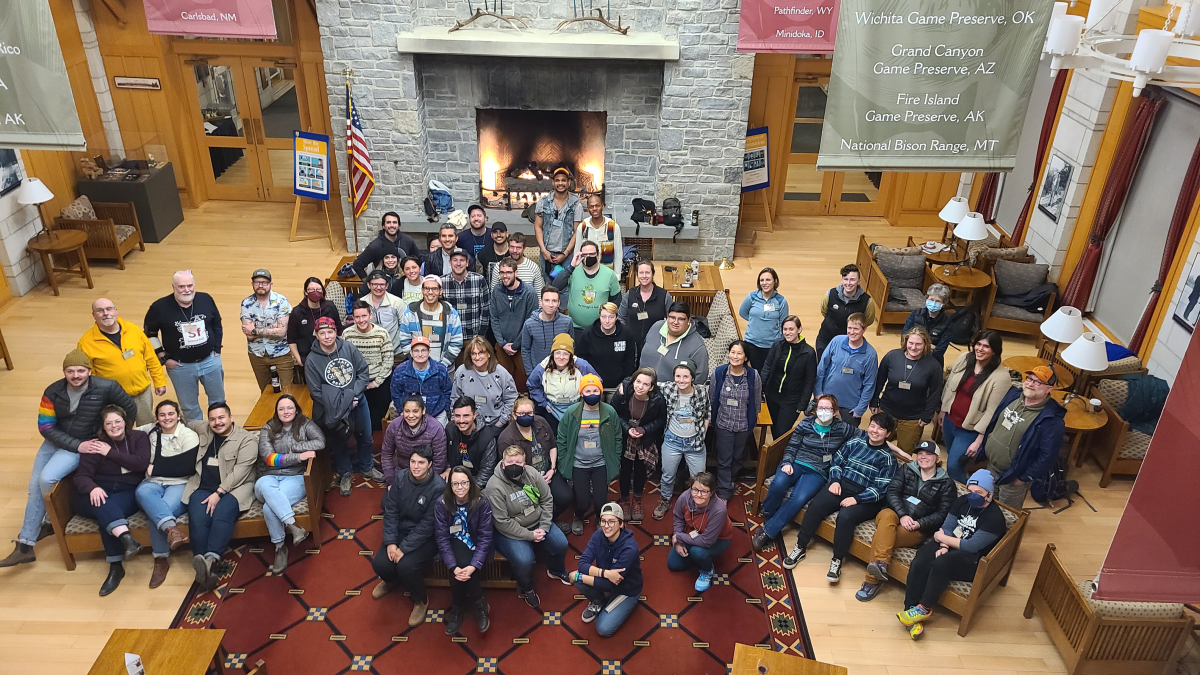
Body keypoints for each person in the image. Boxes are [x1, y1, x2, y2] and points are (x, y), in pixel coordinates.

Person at [0, 350, 136, 568]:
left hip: (83, 443)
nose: (76, 375)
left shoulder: (107, 386)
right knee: (33, 487)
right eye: (70, 371)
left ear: (89, 371)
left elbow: (130, 409)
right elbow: (45, 426)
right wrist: (74, 443)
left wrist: (111, 438)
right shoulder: (52, 391)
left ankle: (47, 523)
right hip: (57, 441)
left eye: (81, 370)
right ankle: (25, 544)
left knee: (45, 479)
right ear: (64, 372)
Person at [779, 410, 898, 578]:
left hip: (866, 498)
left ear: (888, 434)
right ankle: (800, 546)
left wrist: (856, 499)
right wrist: (834, 480)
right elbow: (837, 461)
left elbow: (881, 489)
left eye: (880, 429)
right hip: (841, 485)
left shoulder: (888, 458)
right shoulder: (855, 441)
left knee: (846, 517)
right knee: (816, 505)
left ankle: (837, 560)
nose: (874, 431)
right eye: (872, 426)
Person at [897, 469, 1007, 639]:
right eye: (970, 491)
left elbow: (971, 546)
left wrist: (943, 540)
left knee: (941, 564)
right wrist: (944, 545)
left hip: (972, 558)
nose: (972, 495)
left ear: (990, 494)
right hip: (950, 541)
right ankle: (911, 611)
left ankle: (924, 608)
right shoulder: (962, 501)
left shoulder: (994, 519)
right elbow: (948, 526)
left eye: (979, 493)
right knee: (921, 559)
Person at [752, 395, 864, 553]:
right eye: (820, 408)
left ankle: (767, 532)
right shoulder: (806, 423)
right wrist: (787, 463)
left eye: (828, 409)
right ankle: (768, 514)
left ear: (835, 411)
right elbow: (792, 446)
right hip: (796, 463)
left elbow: (869, 435)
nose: (823, 411)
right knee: (778, 483)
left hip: (817, 472)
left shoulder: (842, 428)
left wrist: (900, 451)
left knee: (798, 498)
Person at [856, 440, 955, 602]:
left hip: (916, 528)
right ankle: (879, 568)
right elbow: (893, 491)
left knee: (882, 537)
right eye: (920, 454)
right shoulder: (907, 469)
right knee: (887, 517)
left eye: (928, 454)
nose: (923, 457)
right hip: (894, 514)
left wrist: (919, 523)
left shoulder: (947, 483)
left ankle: (872, 579)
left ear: (938, 459)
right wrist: (902, 514)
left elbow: (942, 514)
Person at [71, 405, 151, 595]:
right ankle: (126, 538)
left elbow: (141, 463)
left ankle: (116, 567)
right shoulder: (94, 445)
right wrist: (92, 487)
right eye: (109, 423)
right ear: (103, 427)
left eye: (118, 421)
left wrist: (110, 453)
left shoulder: (139, 438)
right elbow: (81, 476)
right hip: (94, 493)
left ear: (125, 422)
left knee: (105, 513)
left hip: (127, 492)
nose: (114, 426)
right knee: (102, 503)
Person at [184, 402, 259, 591]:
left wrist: (219, 493)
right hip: (202, 486)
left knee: (222, 514)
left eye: (221, 417)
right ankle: (204, 567)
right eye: (213, 419)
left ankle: (210, 559)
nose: (217, 422)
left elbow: (240, 472)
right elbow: (185, 423)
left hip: (236, 487)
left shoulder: (247, 440)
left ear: (231, 418)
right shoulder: (203, 429)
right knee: (198, 517)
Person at [485, 447, 571, 608]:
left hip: (538, 522)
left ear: (524, 464)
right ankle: (528, 588)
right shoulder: (494, 487)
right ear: (503, 464)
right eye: (510, 462)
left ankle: (556, 570)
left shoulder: (532, 473)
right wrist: (530, 536)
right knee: (525, 560)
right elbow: (502, 522)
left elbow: (546, 499)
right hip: (510, 531)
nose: (514, 465)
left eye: (518, 462)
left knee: (561, 543)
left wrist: (544, 527)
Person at [371, 446, 446, 628]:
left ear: (429, 464)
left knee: (406, 566)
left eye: (421, 463)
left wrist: (403, 548)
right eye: (413, 462)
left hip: (426, 538)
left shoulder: (438, 487)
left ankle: (421, 600)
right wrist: (390, 542)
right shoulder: (401, 478)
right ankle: (390, 580)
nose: (416, 466)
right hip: (400, 531)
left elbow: (428, 526)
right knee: (380, 564)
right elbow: (391, 511)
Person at [977, 366, 1066, 508]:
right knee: (986, 506)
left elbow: (1048, 456)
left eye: (1037, 382)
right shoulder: (1013, 395)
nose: (1030, 384)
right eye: (1029, 379)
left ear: (1049, 389)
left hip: (1012, 479)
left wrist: (1023, 478)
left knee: (1006, 515)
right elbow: (994, 421)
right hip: (991, 467)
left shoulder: (1052, 421)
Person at [255, 394, 324, 574]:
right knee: (264, 486)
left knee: (270, 507)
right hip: (269, 477)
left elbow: (320, 442)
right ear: (276, 412)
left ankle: (280, 548)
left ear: (296, 409)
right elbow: (269, 459)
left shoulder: (305, 424)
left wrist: (295, 448)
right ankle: (293, 525)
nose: (286, 412)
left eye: (290, 408)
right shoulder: (268, 428)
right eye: (281, 409)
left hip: (295, 477)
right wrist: (299, 456)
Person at [305, 317, 374, 497]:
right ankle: (345, 473)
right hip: (332, 409)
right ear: (316, 335)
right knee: (339, 443)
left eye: (330, 332)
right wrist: (344, 403)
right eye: (322, 333)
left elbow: (363, 372)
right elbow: (315, 391)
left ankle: (367, 467)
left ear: (336, 332)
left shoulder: (349, 348)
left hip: (358, 402)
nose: (327, 336)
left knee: (365, 436)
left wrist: (354, 396)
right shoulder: (312, 360)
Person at [135, 400, 200, 588]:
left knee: (157, 513)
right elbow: (127, 432)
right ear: (157, 418)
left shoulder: (189, 436)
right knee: (142, 492)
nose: (167, 418)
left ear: (178, 415)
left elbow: (185, 467)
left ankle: (160, 559)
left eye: (171, 414)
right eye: (162, 415)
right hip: (153, 483)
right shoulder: (151, 430)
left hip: (180, 483)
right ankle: (173, 531)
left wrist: (155, 468)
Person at [144, 271, 224, 423]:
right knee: (189, 407)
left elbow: (216, 323)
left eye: (190, 285)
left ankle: (220, 431)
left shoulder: (206, 299)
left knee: (218, 401)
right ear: (173, 287)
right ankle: (198, 437)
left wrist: (217, 348)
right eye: (181, 286)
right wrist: (163, 357)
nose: (186, 290)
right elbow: (149, 334)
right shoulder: (159, 307)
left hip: (210, 360)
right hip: (180, 367)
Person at [78, 297, 167, 426]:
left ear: (116, 311)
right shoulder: (86, 343)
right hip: (114, 398)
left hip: (142, 392)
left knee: (147, 427)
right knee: (120, 430)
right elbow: (89, 377)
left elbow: (151, 358)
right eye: (100, 311)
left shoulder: (133, 330)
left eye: (109, 309)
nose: (106, 313)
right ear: (93, 315)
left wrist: (159, 381)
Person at [939, 331, 1011, 484]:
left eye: (986, 346)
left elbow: (992, 412)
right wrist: (943, 410)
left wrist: (979, 440)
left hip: (969, 431)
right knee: (951, 455)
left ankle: (966, 494)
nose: (980, 349)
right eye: (978, 344)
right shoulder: (964, 358)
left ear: (995, 351)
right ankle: (949, 489)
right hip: (950, 421)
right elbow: (950, 386)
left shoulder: (1001, 377)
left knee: (954, 466)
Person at [556, 374, 620, 535]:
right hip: (579, 464)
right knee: (582, 502)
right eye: (587, 390)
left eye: (595, 390)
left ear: (600, 392)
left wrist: (615, 459)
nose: (592, 393)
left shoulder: (609, 412)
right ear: (581, 393)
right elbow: (562, 438)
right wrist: (564, 461)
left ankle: (600, 517)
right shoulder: (572, 413)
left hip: (600, 463)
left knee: (600, 501)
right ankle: (578, 516)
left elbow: (618, 437)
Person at [434, 465, 493, 635]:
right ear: (450, 486)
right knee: (459, 565)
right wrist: (453, 567)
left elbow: (485, 537)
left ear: (470, 483)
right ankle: (477, 602)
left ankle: (459, 606)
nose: (460, 488)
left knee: (467, 565)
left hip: (476, 542)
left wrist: (474, 565)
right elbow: (442, 538)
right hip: (455, 541)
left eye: (464, 483)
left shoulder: (482, 502)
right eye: (455, 484)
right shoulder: (442, 503)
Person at [497, 395, 574, 526]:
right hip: (525, 479)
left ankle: (550, 520)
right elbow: (510, 469)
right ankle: (542, 522)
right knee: (536, 503)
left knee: (565, 497)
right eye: (521, 413)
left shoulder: (541, 422)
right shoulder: (506, 438)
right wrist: (535, 479)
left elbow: (553, 445)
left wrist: (552, 468)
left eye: (529, 413)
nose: (526, 416)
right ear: (514, 415)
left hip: (548, 472)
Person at [570, 502, 642, 636]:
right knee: (581, 576)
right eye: (603, 521)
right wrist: (605, 573)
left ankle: (620, 602)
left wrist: (578, 577)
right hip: (606, 578)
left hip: (626, 590)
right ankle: (598, 600)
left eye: (611, 522)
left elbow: (609, 584)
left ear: (621, 524)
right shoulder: (598, 535)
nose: (606, 526)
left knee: (603, 629)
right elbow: (583, 563)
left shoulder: (629, 549)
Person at [870, 327, 943, 454]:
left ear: (926, 344)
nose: (913, 347)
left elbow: (935, 393)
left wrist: (928, 415)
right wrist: (874, 401)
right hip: (887, 410)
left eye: (918, 344)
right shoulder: (892, 356)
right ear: (905, 342)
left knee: (904, 453)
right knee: (877, 446)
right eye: (911, 343)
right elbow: (879, 380)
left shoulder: (933, 365)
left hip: (913, 418)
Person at [654, 360, 710, 520]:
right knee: (667, 475)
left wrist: (702, 434)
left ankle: (695, 505)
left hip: (695, 443)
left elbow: (707, 413)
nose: (681, 380)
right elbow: (647, 381)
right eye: (678, 376)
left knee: (699, 478)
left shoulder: (701, 392)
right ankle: (665, 500)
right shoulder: (668, 388)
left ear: (692, 377)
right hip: (672, 441)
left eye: (685, 376)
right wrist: (625, 383)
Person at [610, 367, 666, 522]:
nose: (640, 387)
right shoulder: (623, 393)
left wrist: (644, 429)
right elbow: (613, 413)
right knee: (625, 469)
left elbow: (661, 420)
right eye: (638, 382)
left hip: (644, 439)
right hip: (625, 437)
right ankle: (624, 500)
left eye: (645, 384)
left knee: (641, 469)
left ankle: (637, 499)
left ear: (652, 387)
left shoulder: (657, 400)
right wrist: (627, 429)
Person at [711, 341, 762, 501]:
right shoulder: (719, 373)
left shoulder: (753, 375)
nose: (735, 356)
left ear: (745, 357)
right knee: (724, 459)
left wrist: (753, 421)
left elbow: (757, 400)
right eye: (732, 352)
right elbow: (712, 398)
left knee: (737, 457)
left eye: (739, 353)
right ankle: (724, 492)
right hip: (723, 424)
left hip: (743, 425)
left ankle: (729, 479)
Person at [669, 472, 733, 593]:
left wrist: (678, 537)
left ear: (712, 492)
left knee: (697, 552)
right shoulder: (684, 497)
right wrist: (677, 542)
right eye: (695, 490)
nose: (698, 495)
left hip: (718, 539)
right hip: (692, 533)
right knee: (673, 564)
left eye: (704, 491)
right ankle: (697, 558)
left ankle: (707, 570)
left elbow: (707, 541)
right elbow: (678, 517)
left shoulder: (719, 510)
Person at [527, 333, 598, 435]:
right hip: (552, 409)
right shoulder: (542, 367)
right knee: (555, 438)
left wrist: (585, 401)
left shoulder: (581, 365)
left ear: (571, 355)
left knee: (576, 436)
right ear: (553, 353)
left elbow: (596, 381)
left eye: (566, 353)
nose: (561, 357)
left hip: (576, 407)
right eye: (558, 353)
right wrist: (544, 403)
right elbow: (532, 385)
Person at [342, 300, 395, 434]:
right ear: (353, 318)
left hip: (379, 381)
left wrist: (376, 383)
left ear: (370, 315)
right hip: (355, 382)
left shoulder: (382, 333)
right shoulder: (347, 334)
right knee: (360, 420)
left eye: (364, 316)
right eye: (357, 317)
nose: (361, 320)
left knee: (379, 419)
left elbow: (388, 360)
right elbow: (343, 360)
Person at [815, 313, 878, 425]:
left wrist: (860, 409)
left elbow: (869, 384)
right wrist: (818, 391)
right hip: (827, 401)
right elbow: (821, 367)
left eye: (856, 329)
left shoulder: (871, 354)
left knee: (846, 439)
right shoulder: (836, 341)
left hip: (850, 407)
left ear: (864, 329)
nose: (852, 332)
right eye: (849, 328)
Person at [760, 315, 817, 440]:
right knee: (774, 429)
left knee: (782, 433)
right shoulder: (777, 345)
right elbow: (767, 367)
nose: (787, 332)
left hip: (791, 401)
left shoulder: (809, 353)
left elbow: (809, 381)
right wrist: (760, 389)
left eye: (791, 329)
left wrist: (802, 405)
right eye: (785, 329)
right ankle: (776, 456)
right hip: (773, 395)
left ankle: (779, 457)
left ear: (799, 329)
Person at [240, 269, 294, 391]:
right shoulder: (246, 303)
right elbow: (249, 335)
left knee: (287, 391)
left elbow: (281, 332)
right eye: (257, 282)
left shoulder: (281, 301)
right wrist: (273, 326)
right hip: (257, 355)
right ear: (252, 284)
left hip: (281, 354)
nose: (260, 285)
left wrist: (255, 330)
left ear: (271, 284)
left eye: (264, 282)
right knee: (266, 393)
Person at [490, 258, 539, 391]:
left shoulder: (529, 293)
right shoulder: (496, 292)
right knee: (501, 383)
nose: (505, 276)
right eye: (502, 272)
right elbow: (494, 318)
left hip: (524, 346)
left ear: (516, 273)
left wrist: (515, 344)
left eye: (508, 272)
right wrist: (502, 343)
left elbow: (531, 321)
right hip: (502, 346)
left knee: (529, 381)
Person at [554, 240, 622, 333]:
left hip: (600, 329)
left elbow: (616, 300)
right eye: (585, 255)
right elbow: (556, 287)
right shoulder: (573, 271)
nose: (588, 257)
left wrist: (608, 321)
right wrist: (571, 267)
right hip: (575, 327)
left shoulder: (609, 274)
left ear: (598, 255)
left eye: (591, 254)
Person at [398, 275, 464, 368]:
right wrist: (418, 362)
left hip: (445, 370)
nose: (430, 292)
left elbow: (457, 341)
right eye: (427, 288)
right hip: (418, 369)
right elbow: (404, 340)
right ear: (422, 290)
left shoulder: (450, 313)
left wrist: (443, 365)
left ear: (440, 291)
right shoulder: (411, 312)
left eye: (434, 289)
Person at [381, 394, 448, 485]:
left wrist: (427, 483)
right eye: (407, 411)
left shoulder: (436, 429)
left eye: (415, 411)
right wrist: (391, 481)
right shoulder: (394, 426)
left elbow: (439, 462)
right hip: (402, 473)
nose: (411, 416)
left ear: (423, 411)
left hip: (428, 476)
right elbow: (386, 454)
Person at [453, 337, 518, 429]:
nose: (477, 357)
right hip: (467, 425)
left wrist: (499, 424)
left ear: (489, 354)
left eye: (481, 353)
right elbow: (455, 398)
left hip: (495, 425)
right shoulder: (461, 372)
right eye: (473, 354)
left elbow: (511, 400)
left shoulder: (502, 374)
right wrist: (457, 421)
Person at [640, 301, 710, 385]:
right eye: (672, 317)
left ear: (689, 320)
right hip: (642, 387)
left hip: (670, 395)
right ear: (667, 317)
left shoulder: (697, 346)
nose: (675, 322)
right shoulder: (656, 327)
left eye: (681, 319)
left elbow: (700, 378)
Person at [619, 260, 674, 366]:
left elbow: (671, 320)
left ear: (653, 274)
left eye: (647, 272)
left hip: (655, 347)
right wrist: (625, 336)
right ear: (637, 275)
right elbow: (620, 317)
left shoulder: (664, 296)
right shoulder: (630, 294)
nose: (644, 276)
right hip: (631, 346)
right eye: (641, 273)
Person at [816, 264, 878, 356]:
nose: (848, 283)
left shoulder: (867, 301)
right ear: (842, 280)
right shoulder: (830, 294)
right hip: (825, 340)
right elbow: (824, 311)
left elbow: (868, 320)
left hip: (850, 344)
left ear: (859, 281)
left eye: (852, 280)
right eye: (845, 279)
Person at [287, 277, 342, 382]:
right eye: (311, 289)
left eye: (318, 289)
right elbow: (291, 339)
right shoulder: (297, 312)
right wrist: (299, 360)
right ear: (305, 292)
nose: (315, 292)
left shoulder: (330, 307)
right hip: (308, 359)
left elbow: (339, 329)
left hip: (331, 356)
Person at [391, 336, 453, 425]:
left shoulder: (440, 369)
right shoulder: (400, 370)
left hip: (437, 413)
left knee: (441, 437)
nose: (420, 354)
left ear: (429, 352)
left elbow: (448, 391)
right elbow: (395, 394)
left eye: (423, 350)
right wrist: (403, 411)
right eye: (416, 351)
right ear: (411, 353)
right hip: (411, 415)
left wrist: (446, 408)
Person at [534, 167, 583, 275]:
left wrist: (565, 254)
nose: (560, 183)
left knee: (565, 288)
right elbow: (538, 226)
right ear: (553, 182)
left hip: (566, 254)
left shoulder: (576, 205)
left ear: (569, 182)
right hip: (546, 253)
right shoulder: (543, 202)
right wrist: (543, 250)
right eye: (557, 180)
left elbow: (577, 231)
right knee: (547, 287)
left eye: (563, 180)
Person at [575, 303, 637, 389]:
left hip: (619, 385)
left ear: (616, 317)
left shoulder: (626, 333)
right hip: (594, 384)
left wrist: (626, 382)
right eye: (603, 317)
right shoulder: (588, 333)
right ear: (599, 316)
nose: (607, 321)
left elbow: (630, 360)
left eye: (611, 317)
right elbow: (581, 359)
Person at [738, 267, 789, 371]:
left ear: (775, 281)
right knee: (753, 372)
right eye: (762, 280)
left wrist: (779, 341)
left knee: (767, 373)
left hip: (771, 345)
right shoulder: (752, 297)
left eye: (768, 280)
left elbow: (784, 324)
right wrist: (754, 320)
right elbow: (742, 312)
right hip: (752, 342)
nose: (765, 283)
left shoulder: (781, 301)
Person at [445, 397, 500, 488]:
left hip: (477, 480)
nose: (461, 420)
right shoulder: (450, 429)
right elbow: (444, 455)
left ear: (474, 415)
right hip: (455, 476)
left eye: (466, 416)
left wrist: (470, 491)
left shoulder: (487, 437)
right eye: (457, 416)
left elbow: (486, 471)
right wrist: (448, 468)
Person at [521, 286, 574, 378]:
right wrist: (531, 373)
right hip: (538, 372)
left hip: (562, 374)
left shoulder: (567, 322)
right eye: (547, 300)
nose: (550, 304)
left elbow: (572, 347)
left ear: (558, 303)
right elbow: (525, 349)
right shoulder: (529, 324)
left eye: (554, 301)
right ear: (540, 302)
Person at [351, 211, 420, 278]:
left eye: (394, 222)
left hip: (404, 282)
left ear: (399, 225)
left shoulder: (408, 241)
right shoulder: (375, 246)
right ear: (383, 226)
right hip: (382, 285)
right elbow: (358, 265)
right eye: (388, 222)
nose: (392, 225)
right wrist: (367, 284)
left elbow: (418, 259)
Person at [441, 249, 490, 342]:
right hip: (450, 338)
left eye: (462, 260)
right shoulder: (442, 282)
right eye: (455, 260)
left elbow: (486, 308)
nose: (458, 264)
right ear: (450, 262)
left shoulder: (479, 280)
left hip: (474, 337)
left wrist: (480, 335)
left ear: (467, 263)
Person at [903, 284, 956, 362]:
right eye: (931, 299)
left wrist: (919, 345)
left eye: (937, 301)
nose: (933, 303)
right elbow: (904, 337)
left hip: (932, 359)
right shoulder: (915, 314)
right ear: (927, 299)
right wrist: (929, 346)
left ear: (943, 303)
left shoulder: (947, 323)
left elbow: (940, 350)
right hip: (912, 354)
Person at [362, 270, 406, 363]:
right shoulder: (362, 303)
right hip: (371, 354)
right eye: (374, 284)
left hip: (396, 353)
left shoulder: (397, 302)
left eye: (382, 284)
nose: (378, 287)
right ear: (369, 285)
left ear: (386, 286)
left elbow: (405, 326)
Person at [573, 194, 623, 272]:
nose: (594, 209)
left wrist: (617, 275)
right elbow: (577, 252)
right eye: (591, 207)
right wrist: (577, 272)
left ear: (602, 206)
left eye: (597, 206)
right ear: (588, 209)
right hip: (587, 272)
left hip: (607, 272)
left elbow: (618, 254)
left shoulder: (613, 227)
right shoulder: (583, 227)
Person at [488, 232, 544, 297]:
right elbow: (493, 294)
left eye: (518, 248)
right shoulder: (498, 266)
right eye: (512, 247)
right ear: (508, 247)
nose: (515, 251)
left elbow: (539, 295)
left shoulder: (533, 267)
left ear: (524, 248)